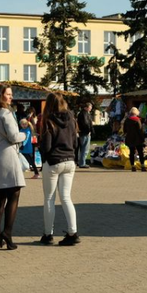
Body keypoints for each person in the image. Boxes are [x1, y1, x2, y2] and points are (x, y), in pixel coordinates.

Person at [0, 85, 27, 250]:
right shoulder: (5, 114)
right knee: (14, 195)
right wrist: (25, 133)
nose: (11, 97)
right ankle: (7, 232)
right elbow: (14, 137)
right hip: (8, 156)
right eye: (8, 94)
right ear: (1, 96)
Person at [39, 92, 79, 246]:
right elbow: (75, 142)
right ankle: (72, 232)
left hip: (54, 161)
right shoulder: (71, 120)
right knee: (66, 197)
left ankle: (48, 234)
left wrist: (44, 158)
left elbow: (47, 145)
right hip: (69, 160)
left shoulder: (49, 121)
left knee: (49, 198)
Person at [123, 108, 147, 172]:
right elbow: (140, 130)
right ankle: (142, 166)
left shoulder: (127, 120)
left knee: (131, 153)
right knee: (140, 153)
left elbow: (124, 130)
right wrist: (143, 138)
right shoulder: (137, 120)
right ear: (136, 113)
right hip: (138, 139)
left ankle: (133, 166)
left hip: (130, 138)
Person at [76, 102, 93, 168]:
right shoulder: (85, 114)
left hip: (81, 133)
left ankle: (79, 161)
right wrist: (89, 130)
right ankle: (82, 163)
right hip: (85, 133)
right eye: (90, 107)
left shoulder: (81, 113)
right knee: (85, 149)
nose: (91, 108)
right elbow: (86, 123)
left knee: (81, 148)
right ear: (86, 107)